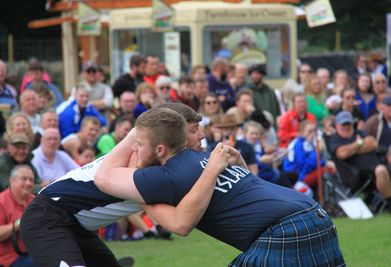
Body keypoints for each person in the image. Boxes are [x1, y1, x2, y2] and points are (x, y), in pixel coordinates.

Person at [94, 107, 345, 266]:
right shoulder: (211, 158)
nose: (134, 149)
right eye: (193, 130)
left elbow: (103, 177)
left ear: (160, 148)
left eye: (138, 143)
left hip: (286, 232)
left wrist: (131, 137)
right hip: (316, 217)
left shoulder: (164, 175)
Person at [20, 105, 233, 267]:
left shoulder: (158, 160)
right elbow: (179, 224)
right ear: (174, 134)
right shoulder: (143, 162)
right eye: (195, 129)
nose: (203, 135)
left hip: (79, 226)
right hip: (46, 217)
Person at [325, 111, 391, 215]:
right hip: (356, 176)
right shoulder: (334, 139)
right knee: (380, 170)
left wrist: (351, 149)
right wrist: (359, 143)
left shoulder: (359, 133)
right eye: (343, 124)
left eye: (348, 124)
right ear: (337, 125)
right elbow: (342, 154)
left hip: (377, 166)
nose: (346, 127)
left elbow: (373, 143)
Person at [0, 165, 36, 267]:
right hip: (11, 259)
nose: (29, 183)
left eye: (31, 180)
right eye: (24, 179)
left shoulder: (35, 201)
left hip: (34, 252)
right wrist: (19, 223)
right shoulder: (1, 201)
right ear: (12, 180)